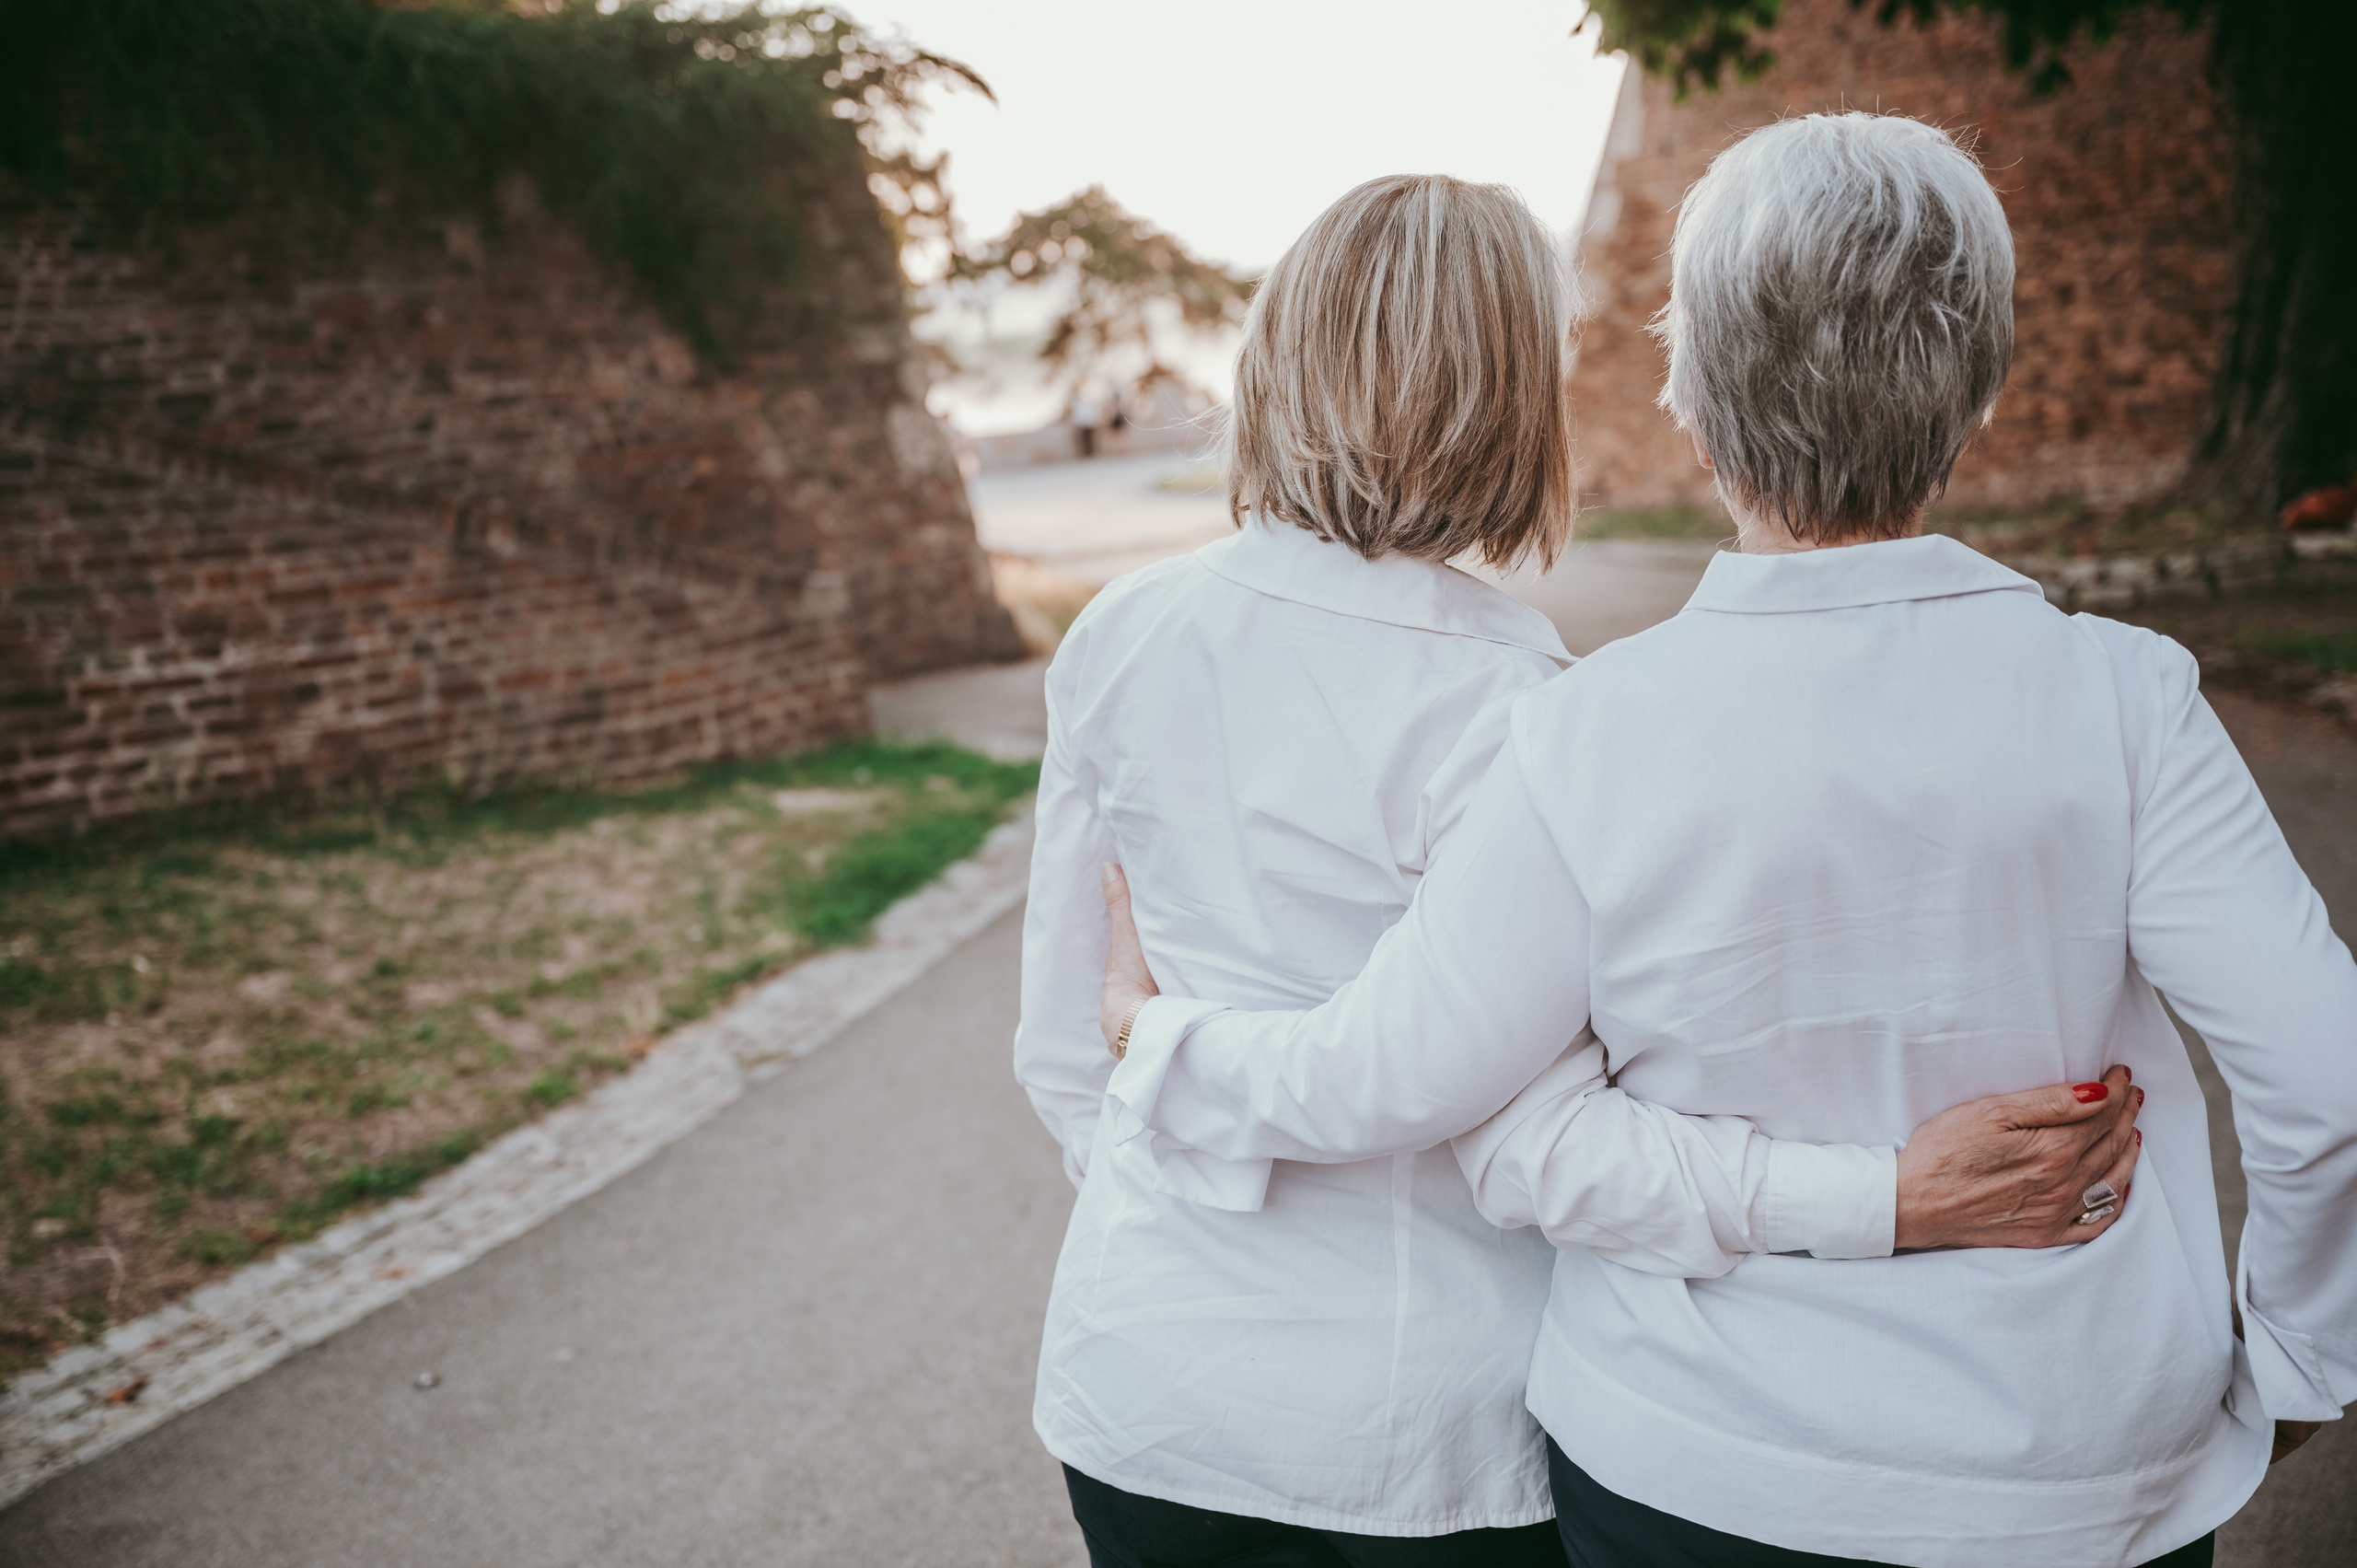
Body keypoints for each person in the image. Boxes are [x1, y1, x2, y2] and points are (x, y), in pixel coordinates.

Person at [1095, 115, 2357, 1568]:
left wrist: (1151, 1034)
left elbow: (1509, 1148)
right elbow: (2324, 1077)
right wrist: (2300, 1363)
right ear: (1984, 385)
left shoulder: (1579, 735)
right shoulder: (2129, 699)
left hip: (1694, 1470)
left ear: (1688, 405)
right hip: (2073, 1485)